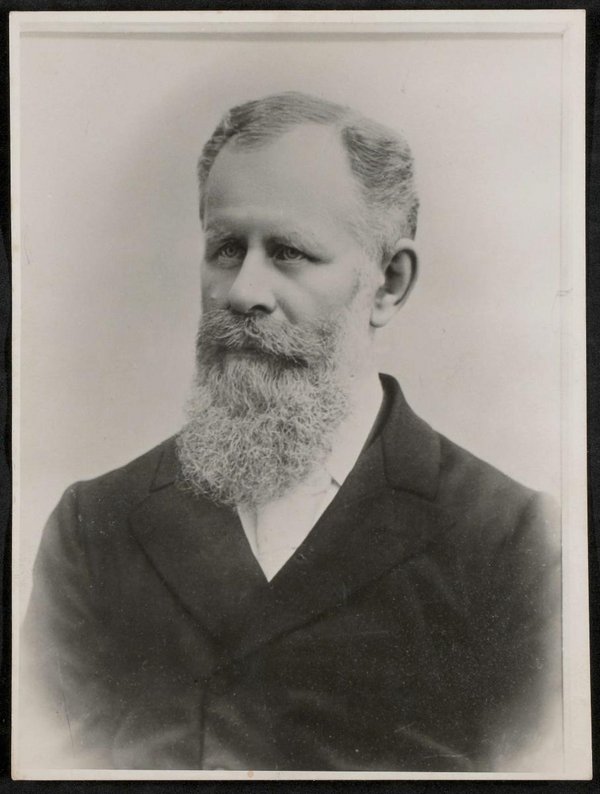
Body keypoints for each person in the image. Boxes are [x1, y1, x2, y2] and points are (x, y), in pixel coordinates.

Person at [21, 91, 561, 772]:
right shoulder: (94, 527)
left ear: (388, 284)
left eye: (288, 252)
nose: (242, 291)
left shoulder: (509, 545)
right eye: (226, 248)